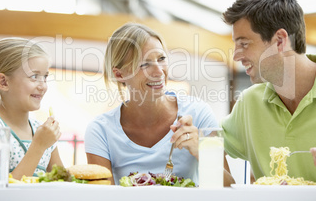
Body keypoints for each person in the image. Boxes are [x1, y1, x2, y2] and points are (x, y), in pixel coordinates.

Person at [221, 0, 316, 200]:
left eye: (244, 44)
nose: (237, 55)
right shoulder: (250, 102)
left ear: (279, 41)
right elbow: (210, 142)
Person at [85, 22, 234, 186]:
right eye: (144, 64)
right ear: (119, 74)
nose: (159, 71)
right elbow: (101, 196)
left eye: (161, 59)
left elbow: (227, 187)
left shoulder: (199, 114)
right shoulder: (100, 131)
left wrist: (200, 151)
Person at [0, 37, 63, 187]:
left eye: (45, 77)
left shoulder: (43, 132)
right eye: (34, 76)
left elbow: (63, 184)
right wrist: (38, 146)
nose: (43, 86)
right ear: (4, 82)